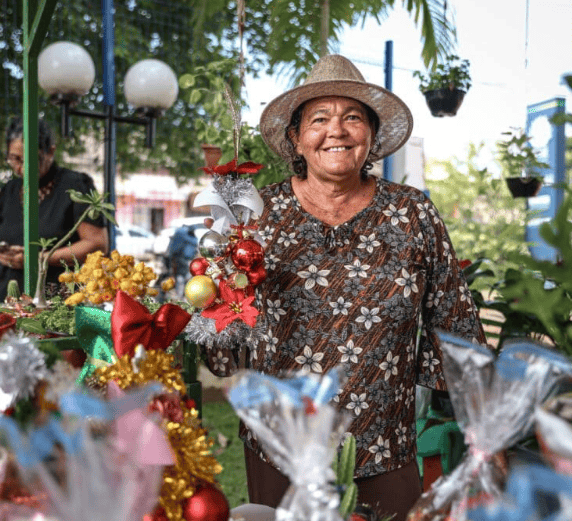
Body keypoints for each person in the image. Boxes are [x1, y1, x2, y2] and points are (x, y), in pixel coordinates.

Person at [202, 55, 486, 521]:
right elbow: (220, 343)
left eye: (353, 117)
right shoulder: (254, 215)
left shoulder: (413, 214)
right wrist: (215, 276)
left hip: (384, 445)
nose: (337, 130)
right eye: (319, 119)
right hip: (280, 447)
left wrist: (472, 417)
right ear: (296, 137)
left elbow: (453, 321)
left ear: (371, 136)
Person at [0, 117, 108, 299]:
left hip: (53, 301)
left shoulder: (76, 185)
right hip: (5, 300)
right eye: (15, 159)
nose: (22, 169)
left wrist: (38, 259)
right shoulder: (9, 191)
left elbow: (97, 244)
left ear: (50, 152)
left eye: (31, 160)